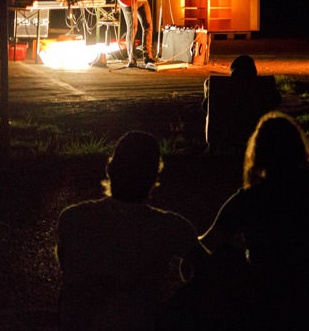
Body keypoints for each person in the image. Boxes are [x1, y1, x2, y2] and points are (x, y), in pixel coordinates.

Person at [57, 131, 205, 331]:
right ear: (154, 177)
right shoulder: (171, 228)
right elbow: (210, 271)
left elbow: (67, 265)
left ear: (110, 169)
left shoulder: (71, 218)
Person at [199, 112, 309, 329]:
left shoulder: (249, 198)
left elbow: (207, 243)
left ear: (259, 152)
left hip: (264, 293)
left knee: (223, 258)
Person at [202, 55, 282, 152]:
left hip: (227, 133)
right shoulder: (263, 87)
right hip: (257, 134)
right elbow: (276, 102)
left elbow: (206, 106)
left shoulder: (223, 88)